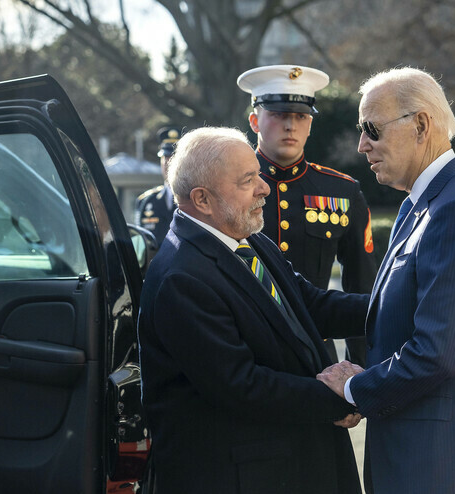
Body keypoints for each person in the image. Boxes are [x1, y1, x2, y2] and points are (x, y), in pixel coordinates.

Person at [316, 68, 455, 494]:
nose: (362, 145)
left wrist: (354, 388)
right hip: (427, 457)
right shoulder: (422, 203)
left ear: (420, 125)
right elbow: (394, 311)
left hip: (449, 463)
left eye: (371, 129)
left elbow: (437, 353)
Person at [137, 126, 367, 494]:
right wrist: (342, 395)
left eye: (257, 174)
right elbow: (241, 386)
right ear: (203, 199)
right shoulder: (182, 278)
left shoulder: (247, 239)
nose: (264, 187)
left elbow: (308, 304)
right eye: (248, 180)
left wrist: (395, 307)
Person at [237, 64, 376, 366]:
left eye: (301, 116)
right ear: (254, 121)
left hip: (316, 359)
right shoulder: (230, 186)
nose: (291, 126)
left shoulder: (342, 191)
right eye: (278, 115)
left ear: (311, 124)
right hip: (245, 355)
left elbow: (361, 288)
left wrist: (361, 372)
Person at [135, 126, 180, 245]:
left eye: (173, 157)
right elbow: (141, 244)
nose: (167, 162)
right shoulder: (146, 201)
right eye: (165, 157)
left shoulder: (197, 200)